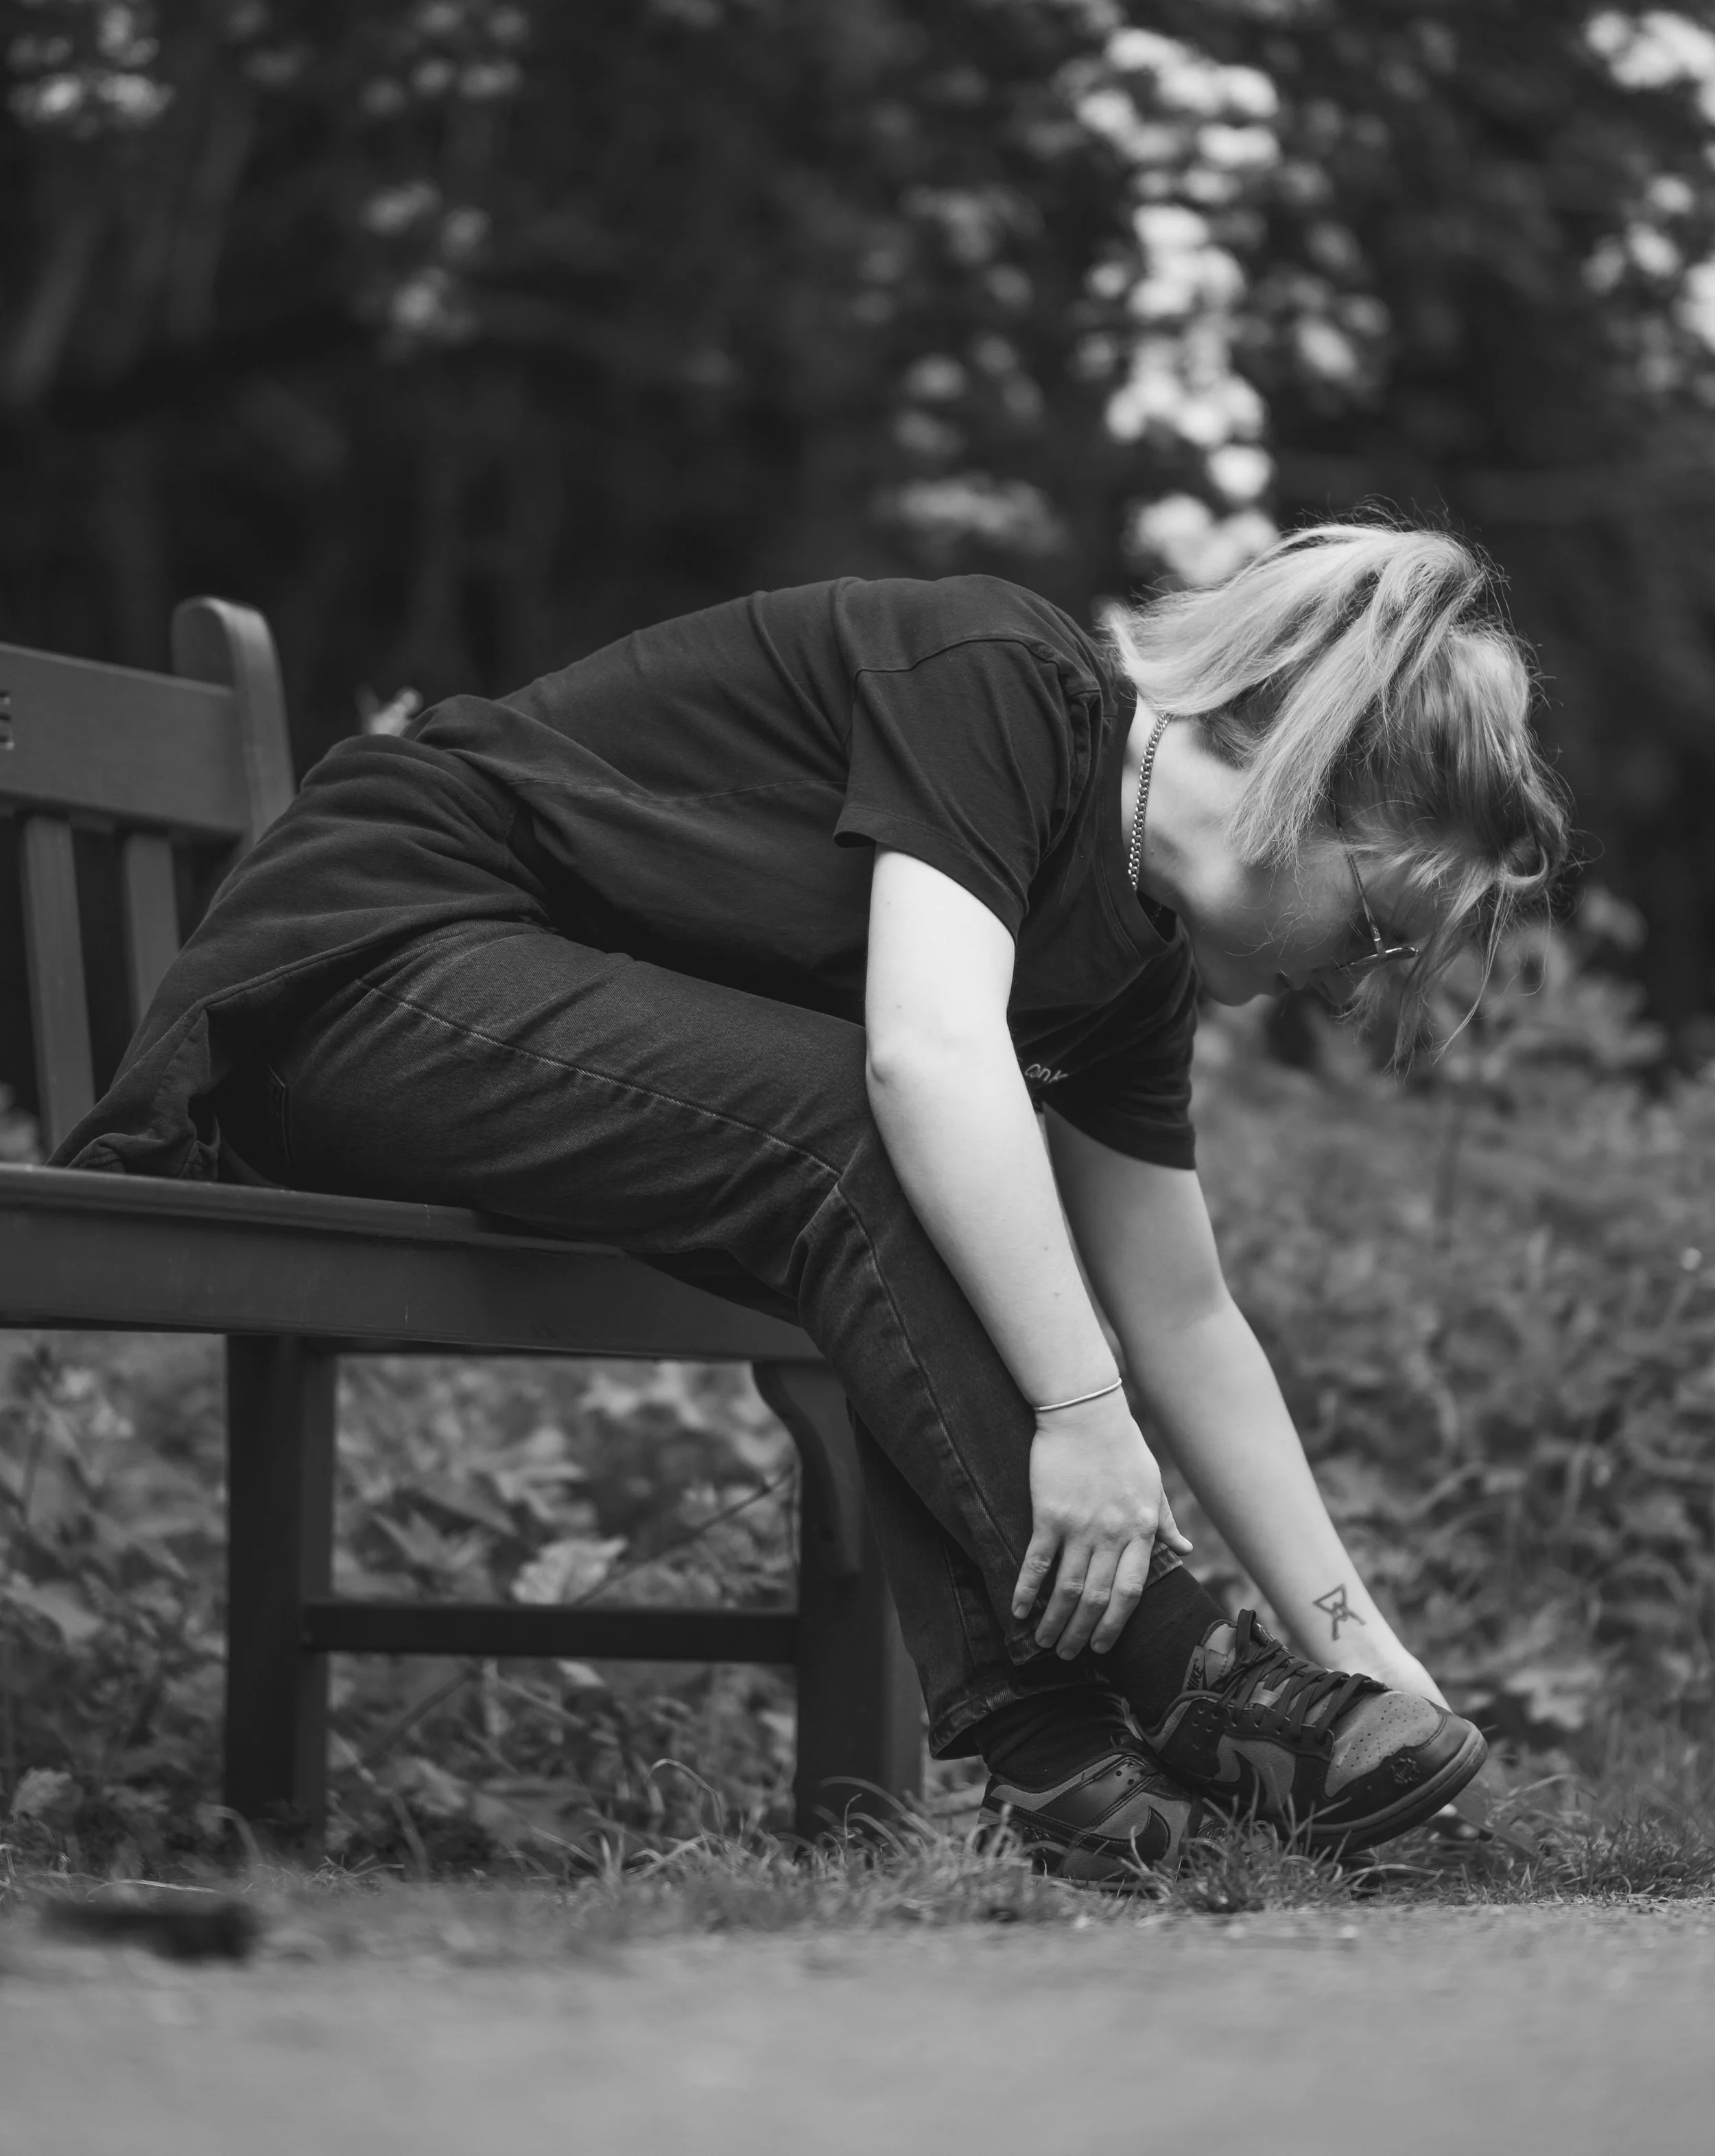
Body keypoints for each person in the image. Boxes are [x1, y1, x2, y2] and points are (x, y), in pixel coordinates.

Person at [58, 520, 1568, 1888]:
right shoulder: (998, 680)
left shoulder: (1130, 970)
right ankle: (1186, 1673)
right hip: (358, 981)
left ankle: (1066, 1762)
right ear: (1300, 767)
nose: (1359, 985)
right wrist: (1079, 1411)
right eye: (1382, 925)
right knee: (893, 1124)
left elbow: (1184, 1312)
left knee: (941, 1175)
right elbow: (922, 1062)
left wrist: (1373, 1663)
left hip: (545, 1094)